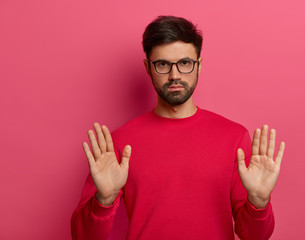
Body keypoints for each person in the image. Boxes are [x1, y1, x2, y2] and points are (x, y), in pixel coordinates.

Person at [71, 15, 285, 240]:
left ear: (199, 66)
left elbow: (254, 236)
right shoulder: (119, 143)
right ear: (148, 68)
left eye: (184, 63)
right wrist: (103, 201)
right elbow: (82, 236)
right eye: (163, 64)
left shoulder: (234, 137)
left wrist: (259, 202)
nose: (175, 75)